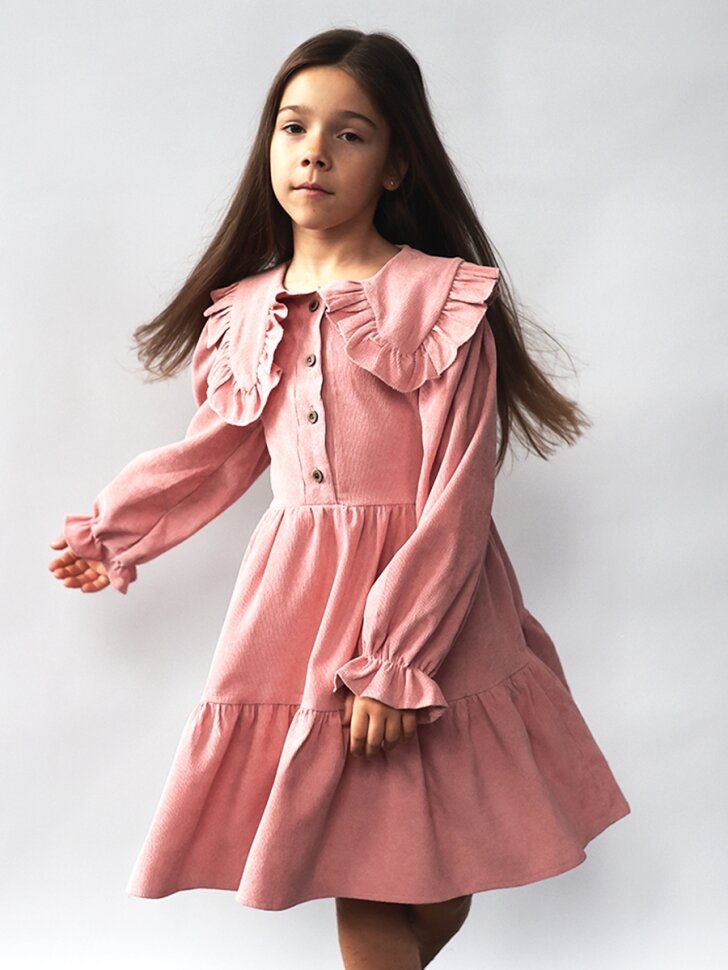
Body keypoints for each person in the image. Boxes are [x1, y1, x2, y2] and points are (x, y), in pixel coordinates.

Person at [48, 27, 630, 970]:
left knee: (432, 878)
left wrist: (396, 656)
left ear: (396, 164)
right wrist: (118, 532)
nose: (314, 151)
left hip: (432, 605)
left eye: (349, 134)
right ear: (270, 146)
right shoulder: (245, 311)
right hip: (300, 612)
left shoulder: (439, 301)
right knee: (372, 878)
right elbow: (216, 454)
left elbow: (459, 489)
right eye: (294, 127)